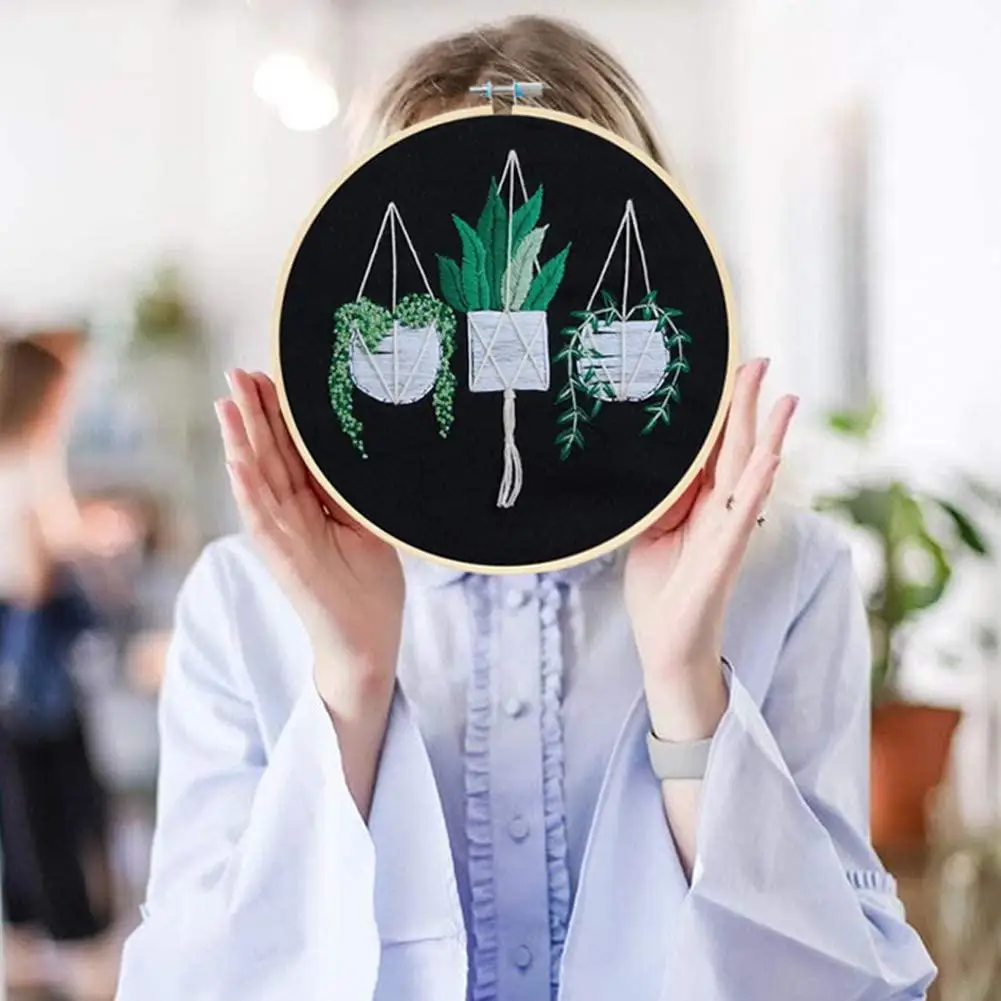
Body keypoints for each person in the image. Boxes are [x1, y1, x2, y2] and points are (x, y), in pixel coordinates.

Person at [115, 16, 936, 1001]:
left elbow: (839, 986)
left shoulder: (781, 574)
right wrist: (348, 680)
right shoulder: (244, 597)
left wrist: (685, 682)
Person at [0, 335, 116, 999]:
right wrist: (89, 539)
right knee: (61, 808)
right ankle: (82, 956)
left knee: (19, 806)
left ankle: (22, 954)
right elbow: (35, 572)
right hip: (36, 658)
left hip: (11, 655)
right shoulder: (33, 463)